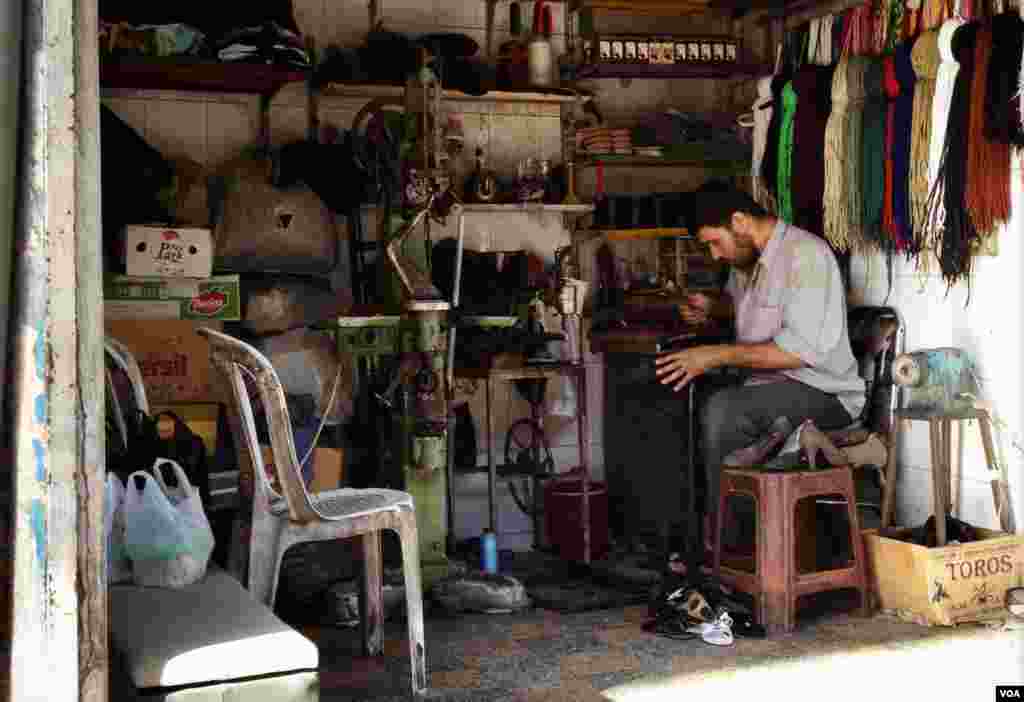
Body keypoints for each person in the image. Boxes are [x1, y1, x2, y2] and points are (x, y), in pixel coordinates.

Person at [654, 181, 865, 552]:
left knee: (725, 410)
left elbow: (796, 353)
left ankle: (733, 554)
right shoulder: (748, 263)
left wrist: (713, 355)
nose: (715, 255)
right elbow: (749, 316)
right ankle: (689, 540)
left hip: (823, 393)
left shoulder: (805, 256)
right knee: (679, 399)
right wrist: (712, 309)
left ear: (738, 221)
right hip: (772, 387)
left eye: (714, 242)